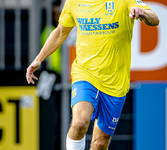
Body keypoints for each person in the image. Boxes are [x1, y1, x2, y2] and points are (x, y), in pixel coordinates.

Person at [26, 0, 159, 149]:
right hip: (85, 74)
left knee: (100, 143)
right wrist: (38, 59)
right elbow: (60, 32)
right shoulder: (74, 2)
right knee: (80, 122)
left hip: (115, 81)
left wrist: (143, 13)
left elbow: (154, 19)